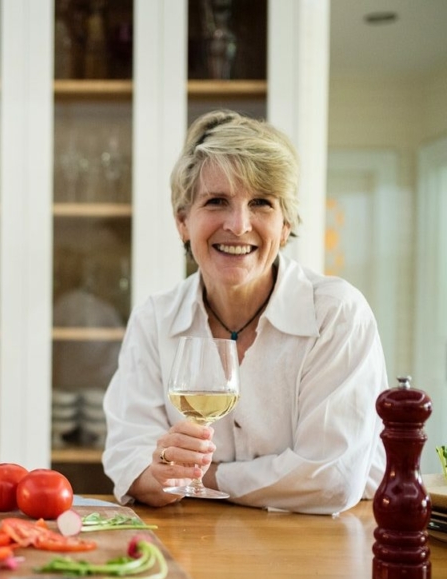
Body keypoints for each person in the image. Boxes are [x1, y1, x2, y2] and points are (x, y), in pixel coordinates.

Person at [101, 109, 387, 515]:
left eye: (261, 203)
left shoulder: (336, 314)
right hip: (193, 544)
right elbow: (128, 460)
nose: (238, 225)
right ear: (183, 221)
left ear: (285, 225)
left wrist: (200, 477)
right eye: (217, 201)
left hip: (324, 550)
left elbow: (330, 478)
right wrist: (160, 474)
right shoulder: (155, 319)